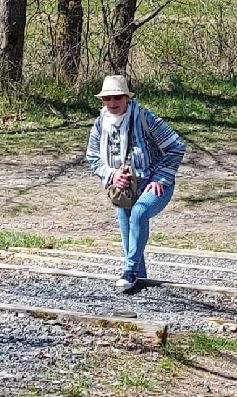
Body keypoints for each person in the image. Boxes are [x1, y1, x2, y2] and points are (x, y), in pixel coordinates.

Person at [85, 75, 188, 294]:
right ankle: (138, 279)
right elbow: (93, 157)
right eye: (107, 99)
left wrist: (161, 177)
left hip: (155, 182)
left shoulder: (144, 117)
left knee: (139, 214)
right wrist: (112, 175)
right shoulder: (100, 123)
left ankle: (129, 270)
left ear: (126, 98)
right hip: (124, 186)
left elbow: (176, 146)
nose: (112, 103)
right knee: (127, 231)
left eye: (117, 98)